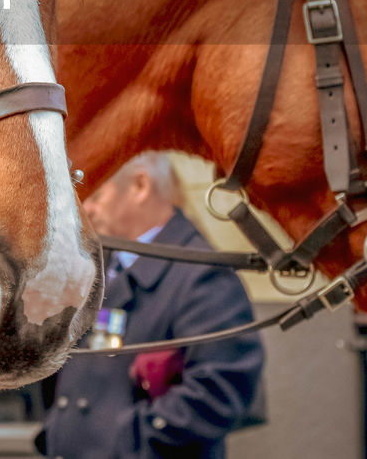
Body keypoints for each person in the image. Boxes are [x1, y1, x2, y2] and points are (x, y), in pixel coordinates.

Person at [40, 153, 264, 459]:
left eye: (96, 195)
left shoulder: (203, 276)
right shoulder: (97, 266)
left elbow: (219, 390)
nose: (86, 209)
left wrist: (125, 441)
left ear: (140, 186)